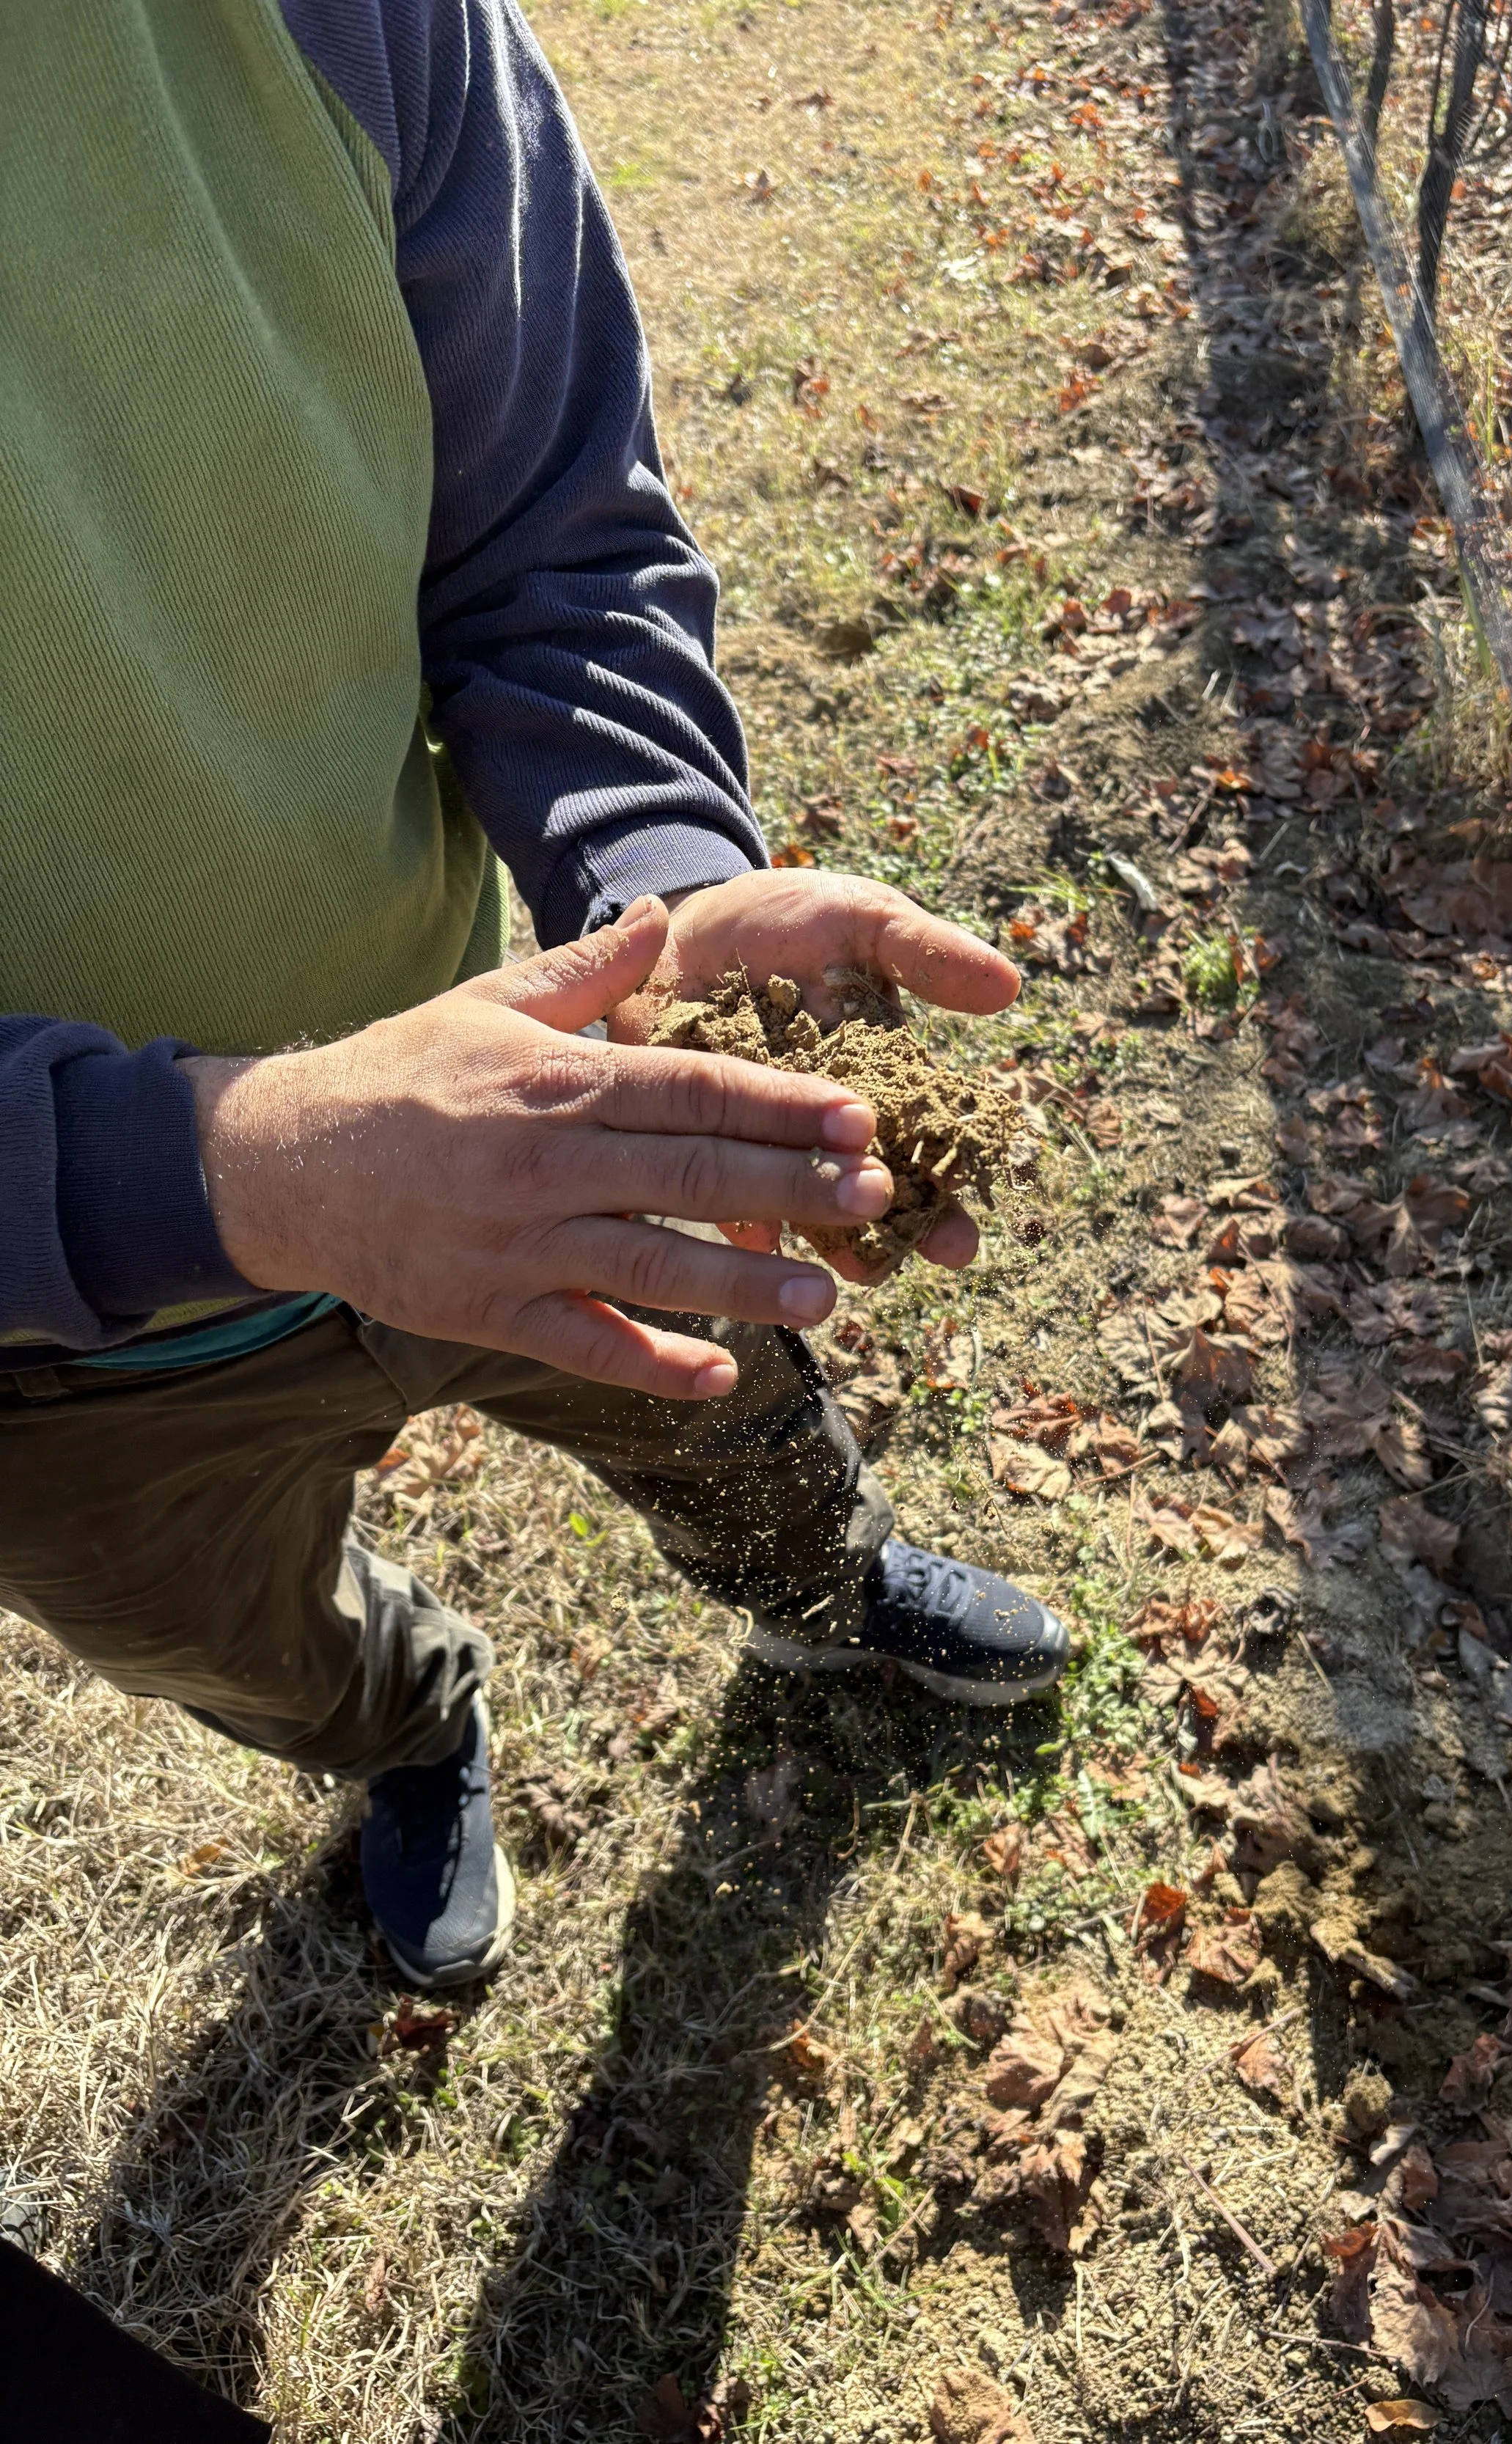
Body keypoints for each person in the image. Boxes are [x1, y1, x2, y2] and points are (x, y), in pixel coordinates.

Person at [0, 0, 1065, 1997]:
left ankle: (814, 1588)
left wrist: (666, 891)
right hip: (62, 1337)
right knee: (227, 1634)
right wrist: (236, 1169)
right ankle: (407, 1725)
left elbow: (547, 537)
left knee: (728, 1393)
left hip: (533, 1087)